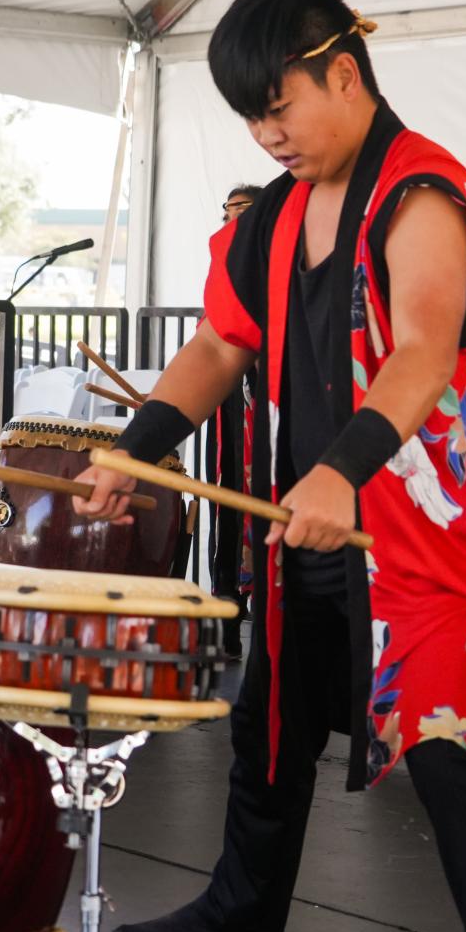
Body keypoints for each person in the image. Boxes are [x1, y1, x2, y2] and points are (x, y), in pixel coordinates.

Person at [75, 0, 466, 932]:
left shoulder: (423, 191)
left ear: (342, 72)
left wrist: (345, 467)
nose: (269, 135)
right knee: (272, 729)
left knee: (448, 749)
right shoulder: (267, 219)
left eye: (279, 107)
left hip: (421, 536)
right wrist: (138, 451)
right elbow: (219, 348)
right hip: (303, 523)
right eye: (251, 120)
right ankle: (240, 912)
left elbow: (426, 346)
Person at [210, 183, 265, 659]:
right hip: (231, 398)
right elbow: (214, 334)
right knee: (227, 500)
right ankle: (227, 602)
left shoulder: (282, 255)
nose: (232, 218)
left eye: (242, 210)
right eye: (227, 211)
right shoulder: (222, 256)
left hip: (271, 398)